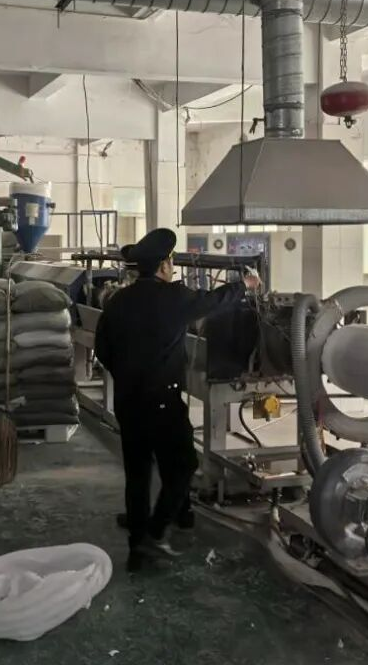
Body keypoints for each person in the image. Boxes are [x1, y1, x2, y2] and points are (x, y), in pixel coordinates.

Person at [95, 228, 260, 571]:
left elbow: (103, 350)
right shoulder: (174, 297)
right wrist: (246, 285)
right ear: (163, 266)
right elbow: (213, 301)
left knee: (137, 473)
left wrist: (128, 377)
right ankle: (156, 531)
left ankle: (138, 546)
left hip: (128, 401)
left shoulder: (118, 301)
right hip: (162, 402)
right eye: (171, 261)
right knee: (183, 466)